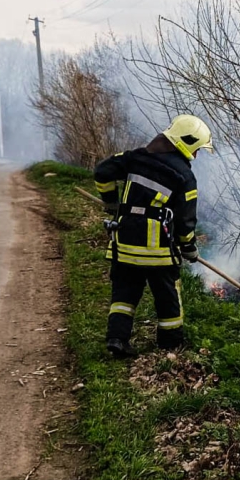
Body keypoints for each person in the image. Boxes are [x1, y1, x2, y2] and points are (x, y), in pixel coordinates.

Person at [93, 115, 213, 357]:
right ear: (186, 143)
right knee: (167, 296)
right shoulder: (184, 176)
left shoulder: (134, 158)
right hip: (158, 252)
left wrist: (111, 203)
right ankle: (170, 343)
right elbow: (185, 221)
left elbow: (102, 172)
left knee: (124, 294)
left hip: (124, 245)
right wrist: (188, 247)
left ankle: (117, 339)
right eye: (197, 148)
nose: (197, 155)